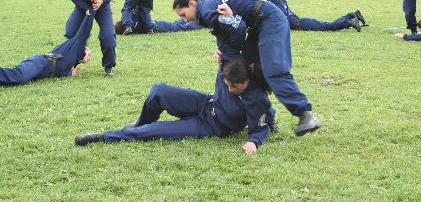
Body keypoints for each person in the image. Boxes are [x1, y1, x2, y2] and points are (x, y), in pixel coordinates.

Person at [173, 0, 321, 136]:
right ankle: (268, 119)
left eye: (183, 14)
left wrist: (228, 52)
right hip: (258, 25)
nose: (185, 20)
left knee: (274, 70)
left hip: (270, 20)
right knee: (249, 71)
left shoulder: (205, 11)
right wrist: (223, 50)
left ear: (191, 3)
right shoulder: (208, 7)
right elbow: (229, 28)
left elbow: (238, 26)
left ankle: (306, 114)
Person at [75, 59, 273, 155]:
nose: (229, 90)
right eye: (227, 84)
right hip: (204, 102)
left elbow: (260, 127)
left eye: (235, 87)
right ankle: (138, 124)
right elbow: (227, 39)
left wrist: (253, 142)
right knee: (158, 91)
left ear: (247, 82)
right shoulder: (231, 67)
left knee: (153, 132)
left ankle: (105, 136)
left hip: (211, 126)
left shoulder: (258, 100)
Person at [0, 10, 95, 86]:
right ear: (83, 49)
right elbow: (84, 32)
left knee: (19, 79)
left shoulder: (71, 63)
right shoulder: (75, 46)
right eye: (88, 54)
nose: (88, 57)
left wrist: (71, 73)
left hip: (40, 67)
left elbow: (60, 71)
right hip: (39, 63)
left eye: (89, 57)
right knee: (19, 77)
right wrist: (91, 12)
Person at [114, 8, 203, 34]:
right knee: (181, 27)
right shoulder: (132, 24)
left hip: (158, 26)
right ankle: (202, 23)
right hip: (158, 26)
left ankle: (198, 19)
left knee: (177, 25)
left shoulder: (132, 28)